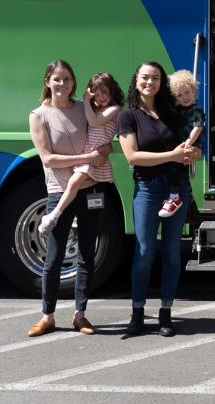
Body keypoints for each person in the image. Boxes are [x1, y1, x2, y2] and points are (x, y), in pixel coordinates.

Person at [116, 61, 200, 338]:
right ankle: (137, 314)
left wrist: (193, 153)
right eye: (145, 77)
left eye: (155, 78)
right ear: (136, 80)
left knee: (172, 253)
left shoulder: (171, 111)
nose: (149, 82)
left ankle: (166, 314)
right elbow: (132, 156)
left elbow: (188, 141)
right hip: (148, 189)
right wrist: (172, 156)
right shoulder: (128, 115)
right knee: (144, 252)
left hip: (178, 188)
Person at [26, 59, 109, 338]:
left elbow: (102, 132)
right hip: (58, 192)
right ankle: (47, 316)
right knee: (54, 257)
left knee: (87, 254)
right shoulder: (38, 115)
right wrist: (87, 158)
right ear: (47, 81)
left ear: (74, 82)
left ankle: (80, 315)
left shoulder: (82, 110)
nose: (62, 84)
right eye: (57, 79)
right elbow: (48, 158)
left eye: (68, 79)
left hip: (90, 187)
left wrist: (107, 147)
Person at [36, 73, 122, 236]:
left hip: (94, 157)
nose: (101, 97)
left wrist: (86, 99)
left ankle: (54, 216)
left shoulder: (114, 109)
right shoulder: (97, 109)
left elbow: (94, 121)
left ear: (112, 91)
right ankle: (71, 215)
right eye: (96, 94)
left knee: (74, 182)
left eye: (104, 92)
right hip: (89, 154)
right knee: (74, 185)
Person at [159, 69, 205, 218]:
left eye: (186, 92)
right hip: (180, 145)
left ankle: (174, 198)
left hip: (190, 144)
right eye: (179, 95)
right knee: (177, 171)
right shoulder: (178, 109)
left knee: (174, 167)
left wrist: (188, 143)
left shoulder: (196, 109)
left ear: (193, 90)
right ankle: (183, 197)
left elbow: (198, 127)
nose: (184, 97)